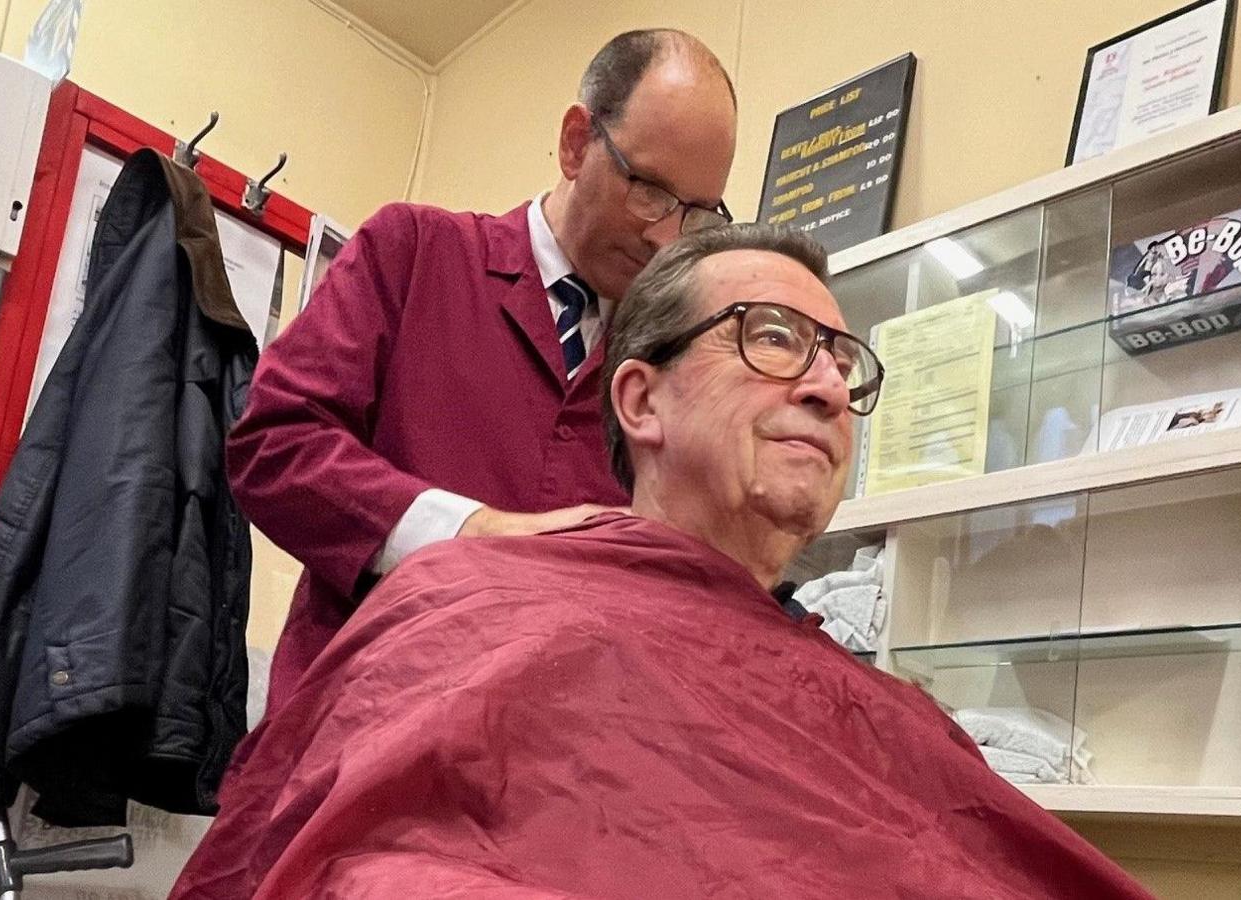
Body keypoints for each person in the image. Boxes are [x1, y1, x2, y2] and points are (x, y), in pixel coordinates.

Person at [171, 224, 1153, 899]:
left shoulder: (889, 717)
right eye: (775, 339)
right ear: (641, 402)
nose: (823, 384)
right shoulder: (463, 600)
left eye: (841, 364)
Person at [226, 29, 739, 714]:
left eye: (700, 214)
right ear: (575, 142)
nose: (667, 237)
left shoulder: (660, 370)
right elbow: (274, 444)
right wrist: (469, 535)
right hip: (350, 740)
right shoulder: (412, 253)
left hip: (542, 774)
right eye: (648, 190)